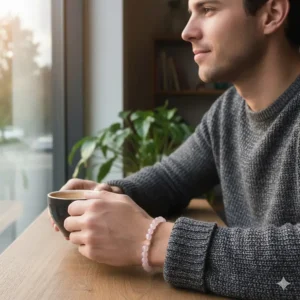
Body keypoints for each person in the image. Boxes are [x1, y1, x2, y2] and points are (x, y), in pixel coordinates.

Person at [49, 0, 300, 299]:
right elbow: (172, 177)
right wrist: (109, 195)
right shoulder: (227, 112)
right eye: (190, 12)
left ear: (271, 14)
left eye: (208, 9)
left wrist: (154, 241)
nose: (187, 31)